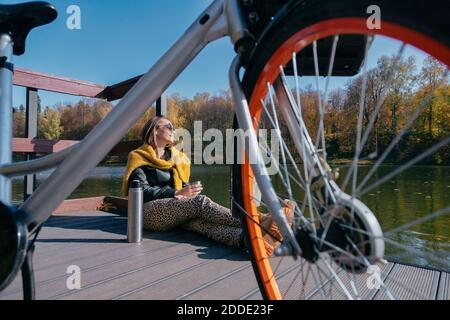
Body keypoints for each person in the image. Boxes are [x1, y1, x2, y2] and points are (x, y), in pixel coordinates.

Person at [122, 115, 294, 254]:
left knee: (203, 225)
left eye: (173, 126)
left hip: (174, 210)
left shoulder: (176, 158)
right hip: (146, 214)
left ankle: (251, 241)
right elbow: (140, 190)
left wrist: (188, 191)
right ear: (154, 130)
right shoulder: (137, 156)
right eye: (168, 126)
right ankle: (262, 220)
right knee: (200, 203)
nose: (173, 129)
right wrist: (176, 193)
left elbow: (182, 187)